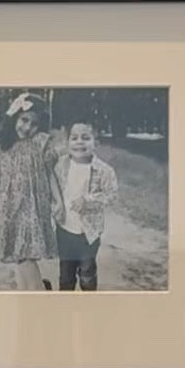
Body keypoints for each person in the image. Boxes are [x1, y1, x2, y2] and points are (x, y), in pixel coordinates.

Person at [0, 91, 56, 287]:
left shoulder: (40, 144)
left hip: (32, 208)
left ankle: (39, 294)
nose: (27, 128)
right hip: (11, 208)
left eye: (34, 124)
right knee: (19, 255)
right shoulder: (1, 146)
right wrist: (1, 203)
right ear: (14, 116)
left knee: (25, 254)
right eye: (24, 120)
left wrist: (58, 201)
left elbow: (51, 174)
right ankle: (27, 292)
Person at [52, 119, 119, 292]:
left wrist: (88, 200)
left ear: (95, 142)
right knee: (66, 274)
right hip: (64, 229)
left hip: (89, 233)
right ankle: (65, 307)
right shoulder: (60, 165)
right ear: (67, 142)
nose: (79, 142)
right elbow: (52, 189)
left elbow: (112, 195)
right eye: (74, 138)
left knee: (87, 272)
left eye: (86, 138)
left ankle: (88, 303)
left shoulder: (104, 170)